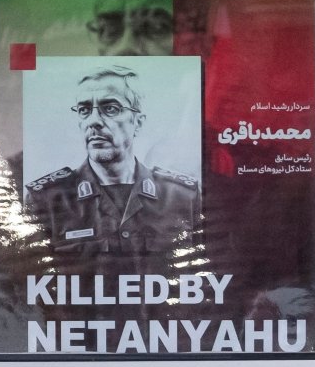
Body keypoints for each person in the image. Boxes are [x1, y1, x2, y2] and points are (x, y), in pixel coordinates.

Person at [23, 65, 201, 268]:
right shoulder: (47, 201)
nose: (94, 121)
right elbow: (29, 284)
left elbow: (203, 275)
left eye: (110, 109)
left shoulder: (182, 197)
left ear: (138, 122)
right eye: (84, 110)